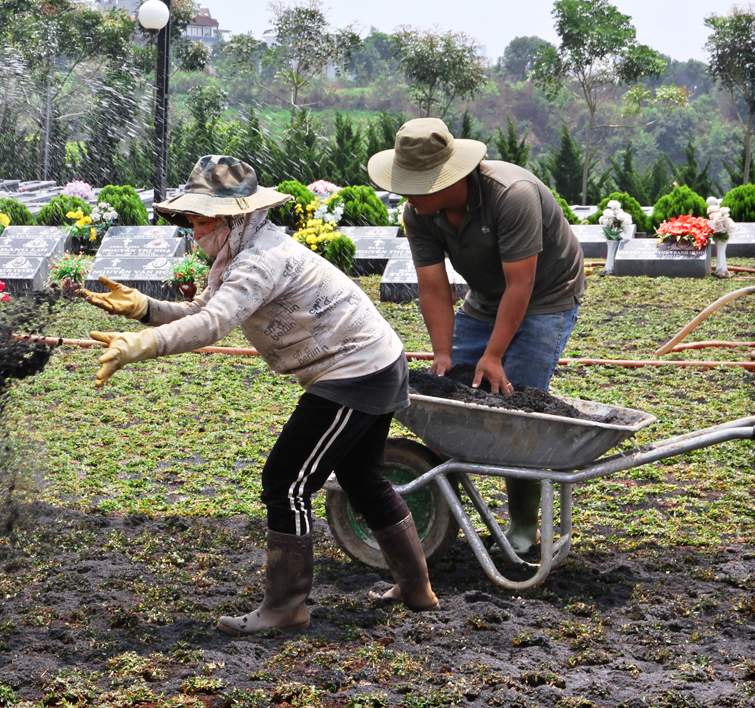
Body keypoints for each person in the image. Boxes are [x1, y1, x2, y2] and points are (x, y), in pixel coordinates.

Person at [83, 155, 439, 635]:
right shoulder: (241, 253)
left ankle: (286, 607)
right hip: (369, 363)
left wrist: (144, 346)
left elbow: (212, 325)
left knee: (286, 482)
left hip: (354, 372)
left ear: (235, 217)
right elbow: (204, 307)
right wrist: (146, 309)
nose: (194, 230)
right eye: (190, 220)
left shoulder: (262, 259)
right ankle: (417, 590)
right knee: (363, 480)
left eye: (201, 220)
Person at [368, 118, 586, 554]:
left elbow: (521, 285)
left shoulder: (511, 197)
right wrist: (443, 353)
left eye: (416, 183)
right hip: (486, 298)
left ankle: (524, 527)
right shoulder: (419, 213)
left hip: (546, 296)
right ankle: (444, 508)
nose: (406, 192)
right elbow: (432, 286)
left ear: (447, 179)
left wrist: (495, 355)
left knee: (517, 408)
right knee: (448, 391)